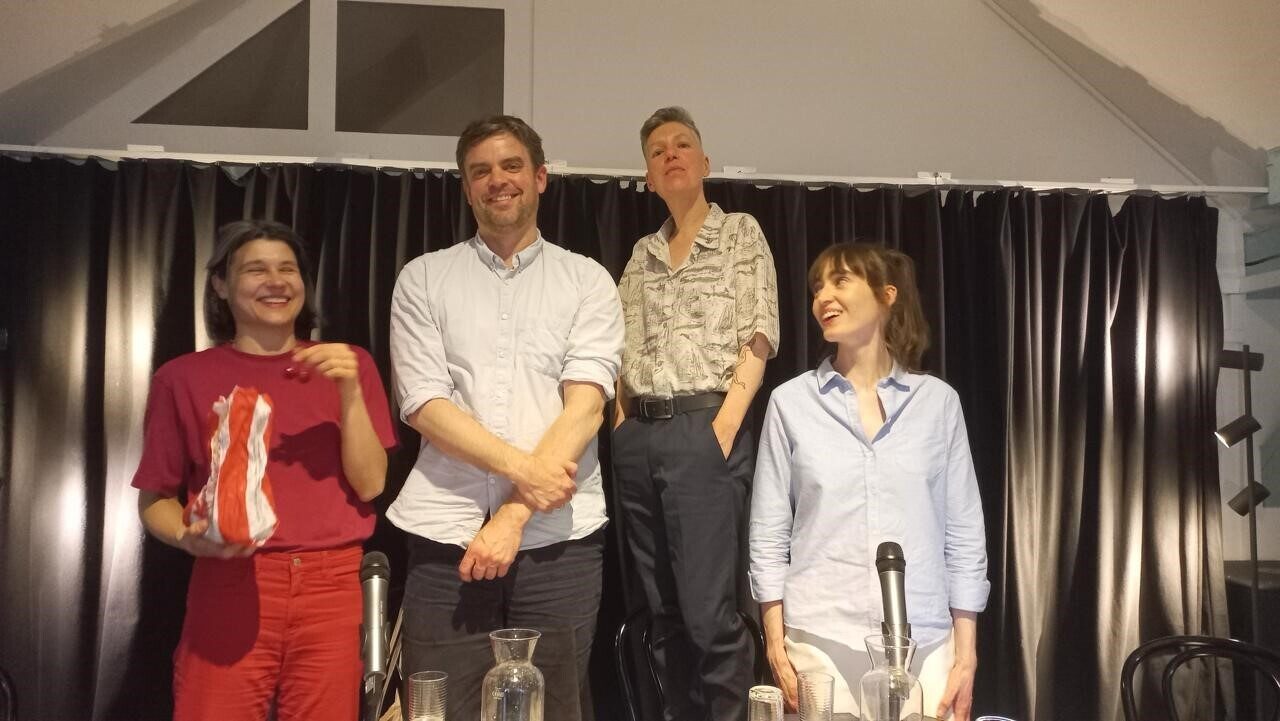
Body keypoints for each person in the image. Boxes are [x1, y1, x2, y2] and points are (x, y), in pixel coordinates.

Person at [388, 115, 624, 721]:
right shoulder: (422, 277)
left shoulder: (588, 280)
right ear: (467, 188)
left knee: (556, 708)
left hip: (559, 541)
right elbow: (424, 405)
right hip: (446, 534)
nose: (498, 180)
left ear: (540, 177)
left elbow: (587, 407)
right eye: (481, 171)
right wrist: (527, 472)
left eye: (512, 165)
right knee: (439, 710)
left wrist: (513, 515)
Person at [132, 219, 399, 721]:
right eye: (256, 270)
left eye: (287, 269)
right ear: (220, 284)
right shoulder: (181, 378)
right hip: (230, 577)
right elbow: (155, 498)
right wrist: (189, 537)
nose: (276, 281)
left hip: (331, 584)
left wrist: (348, 392)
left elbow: (371, 484)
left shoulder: (350, 365)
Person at [748, 242, 989, 720]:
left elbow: (964, 534)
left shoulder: (937, 403)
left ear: (886, 295)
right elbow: (768, 533)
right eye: (817, 287)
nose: (823, 297)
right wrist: (775, 642)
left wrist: (966, 654)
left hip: (925, 644)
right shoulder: (790, 403)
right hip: (820, 643)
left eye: (840, 281)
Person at [613, 106, 780, 721]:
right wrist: (620, 429)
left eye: (682, 144)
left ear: (705, 162)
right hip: (639, 438)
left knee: (710, 614)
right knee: (663, 613)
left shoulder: (739, 233)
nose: (671, 154)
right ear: (648, 177)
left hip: (704, 429)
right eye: (658, 151)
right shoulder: (642, 253)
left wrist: (724, 428)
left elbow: (758, 334)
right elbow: (619, 349)